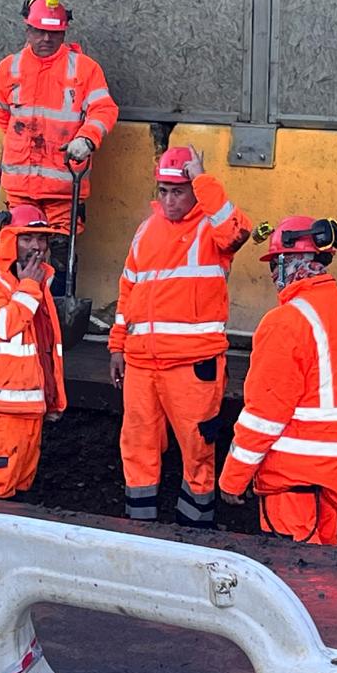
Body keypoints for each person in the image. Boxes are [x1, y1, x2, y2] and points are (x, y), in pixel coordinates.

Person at [108, 145, 251, 526]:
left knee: (197, 452)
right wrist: (117, 345)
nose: (170, 201)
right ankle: (140, 530)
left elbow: (238, 232)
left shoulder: (212, 227)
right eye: (164, 191)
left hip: (192, 367)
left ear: (194, 190)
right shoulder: (146, 231)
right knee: (137, 448)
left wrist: (204, 179)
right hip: (141, 365)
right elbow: (128, 291)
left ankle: (196, 533)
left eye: (179, 191)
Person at [217, 217, 337, 544]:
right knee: (325, 574)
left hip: (291, 482)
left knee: (293, 579)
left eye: (274, 266)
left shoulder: (286, 322)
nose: (273, 277)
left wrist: (233, 479)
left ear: (287, 263)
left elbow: (263, 416)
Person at [0, 0, 119, 295]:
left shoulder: (85, 69)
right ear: (28, 29)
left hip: (64, 187)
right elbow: (2, 116)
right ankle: (13, 305)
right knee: (18, 248)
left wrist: (87, 139)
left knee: (61, 252)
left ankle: (57, 314)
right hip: (21, 187)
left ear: (63, 32)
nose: (46, 38)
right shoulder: (9, 68)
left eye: (54, 32)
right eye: (40, 31)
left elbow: (104, 109)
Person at [0, 204, 67, 498]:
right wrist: (28, 288)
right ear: (10, 240)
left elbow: (45, 345)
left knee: (21, 485)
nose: (36, 247)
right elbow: (5, 326)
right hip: (5, 408)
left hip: (30, 406)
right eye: (27, 238)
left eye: (42, 239)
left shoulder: (36, 284)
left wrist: (50, 397)